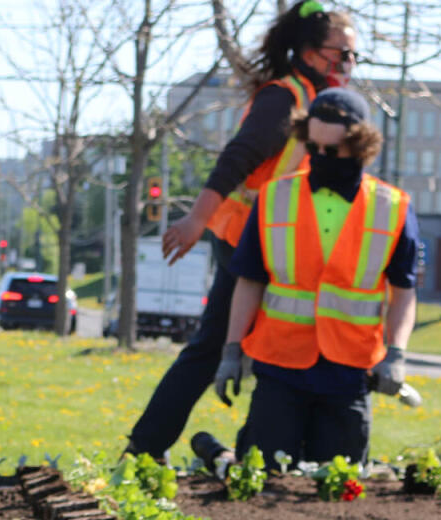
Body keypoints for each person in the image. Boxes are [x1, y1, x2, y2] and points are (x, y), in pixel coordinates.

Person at [125, 0, 358, 459]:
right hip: (244, 239)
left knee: (258, 345)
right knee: (213, 346)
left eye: (353, 55)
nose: (349, 64)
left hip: (274, 244)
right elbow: (238, 158)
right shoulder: (284, 98)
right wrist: (196, 217)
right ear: (311, 52)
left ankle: (269, 450)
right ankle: (146, 448)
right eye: (343, 53)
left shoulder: (315, 99)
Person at [213, 87, 418, 467]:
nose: (320, 158)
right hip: (279, 366)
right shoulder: (273, 198)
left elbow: (403, 292)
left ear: (360, 147)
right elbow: (250, 282)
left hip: (349, 370)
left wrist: (397, 354)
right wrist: (231, 349)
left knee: (338, 486)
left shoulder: (393, 208)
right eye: (314, 148)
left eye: (332, 151)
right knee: (264, 477)